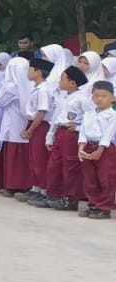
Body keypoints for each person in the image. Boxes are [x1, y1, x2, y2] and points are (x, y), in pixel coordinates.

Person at [40, 65, 90, 211]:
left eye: (62, 79)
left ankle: (71, 199)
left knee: (70, 167)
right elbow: (55, 118)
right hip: (60, 133)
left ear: (72, 83)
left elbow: (91, 118)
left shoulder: (82, 99)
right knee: (54, 165)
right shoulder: (62, 97)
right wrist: (50, 135)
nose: (59, 82)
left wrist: (79, 127)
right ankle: (53, 195)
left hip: (71, 135)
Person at [18, 57, 55, 203]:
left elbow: (41, 112)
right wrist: (26, 127)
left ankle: (45, 190)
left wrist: (31, 130)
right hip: (34, 123)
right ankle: (36, 188)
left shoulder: (44, 90)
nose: (28, 72)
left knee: (41, 159)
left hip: (41, 126)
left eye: (30, 69)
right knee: (34, 158)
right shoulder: (37, 88)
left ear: (38, 72)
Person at [79, 80, 116, 219]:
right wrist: (81, 148)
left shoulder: (112, 115)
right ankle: (93, 204)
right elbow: (83, 132)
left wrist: (100, 150)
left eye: (104, 96)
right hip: (88, 146)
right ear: (92, 97)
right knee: (90, 178)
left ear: (112, 98)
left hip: (105, 149)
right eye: (96, 95)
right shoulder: (88, 114)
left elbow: (108, 134)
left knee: (106, 178)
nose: (99, 99)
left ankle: (104, 207)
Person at [0, 56, 35, 195]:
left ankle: (13, 184)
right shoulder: (31, 85)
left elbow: (1, 101)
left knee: (14, 155)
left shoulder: (11, 87)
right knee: (23, 155)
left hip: (13, 122)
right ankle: (25, 184)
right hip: (24, 122)